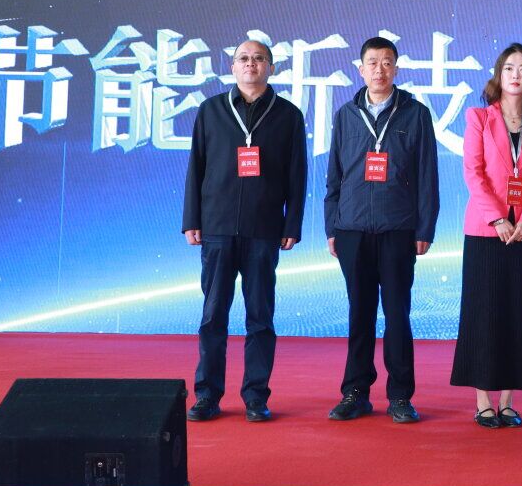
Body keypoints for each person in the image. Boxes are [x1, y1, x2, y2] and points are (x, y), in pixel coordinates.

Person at [181, 40, 307, 423]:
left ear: (271, 67)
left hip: (264, 229)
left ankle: (255, 396)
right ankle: (207, 395)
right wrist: (191, 219)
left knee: (260, 318)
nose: (251, 64)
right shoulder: (211, 110)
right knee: (212, 316)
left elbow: (297, 174)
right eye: (243, 59)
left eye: (259, 59)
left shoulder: (288, 114)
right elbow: (196, 167)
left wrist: (292, 223)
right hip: (216, 228)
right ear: (232, 67)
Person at [324, 36, 439, 424]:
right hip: (352, 229)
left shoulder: (415, 114)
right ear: (361, 70)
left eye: (387, 62)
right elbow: (334, 176)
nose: (379, 69)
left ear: (396, 68)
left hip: (398, 228)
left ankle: (400, 396)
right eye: (372, 63)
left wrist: (425, 227)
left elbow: (427, 176)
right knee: (359, 314)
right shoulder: (345, 115)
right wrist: (332, 225)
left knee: (397, 314)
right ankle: (355, 393)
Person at [452, 43, 522, 428]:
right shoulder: (479, 117)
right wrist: (498, 219)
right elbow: (473, 172)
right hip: (485, 231)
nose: (516, 75)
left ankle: (507, 401)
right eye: (509, 67)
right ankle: (482, 401)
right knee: (484, 313)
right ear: (498, 74)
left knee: (516, 313)